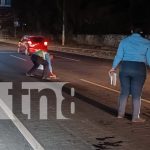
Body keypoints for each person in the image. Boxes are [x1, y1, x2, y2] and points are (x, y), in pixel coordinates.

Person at [109, 27, 150, 123]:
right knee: (136, 94)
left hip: (125, 68)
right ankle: (135, 117)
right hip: (139, 69)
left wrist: (113, 67)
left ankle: (120, 114)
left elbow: (119, 56)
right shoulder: (147, 42)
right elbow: (149, 59)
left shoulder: (124, 41)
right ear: (142, 33)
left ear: (132, 32)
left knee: (124, 92)